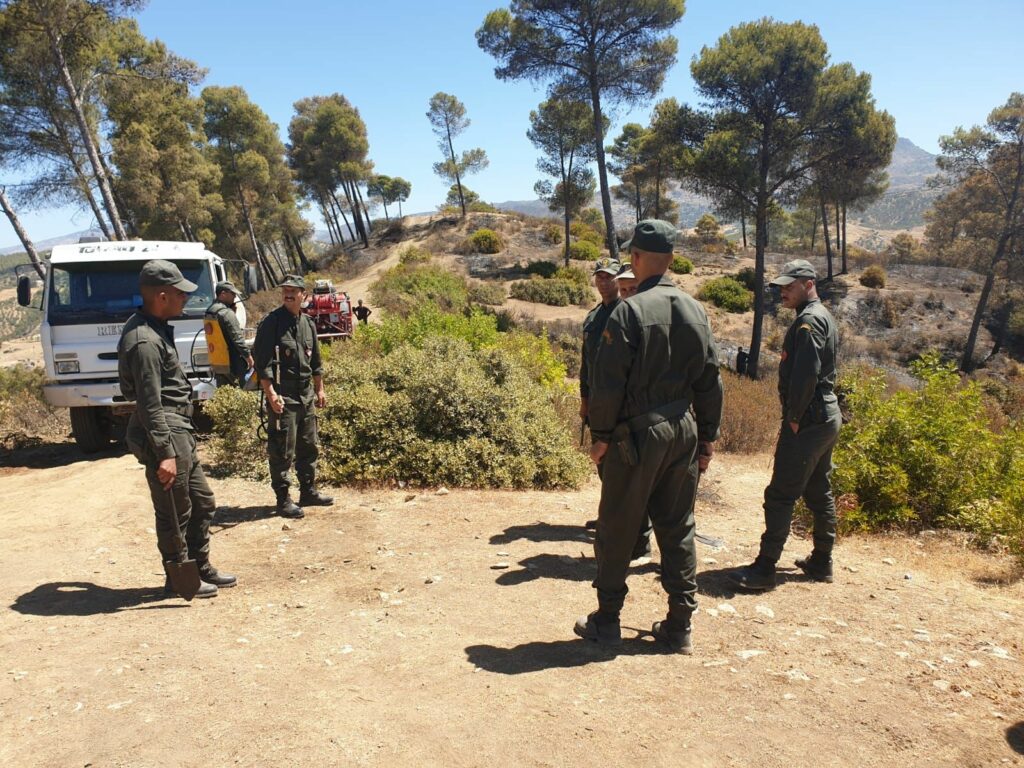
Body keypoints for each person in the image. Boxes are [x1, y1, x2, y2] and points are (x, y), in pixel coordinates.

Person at [575, 220, 723, 654]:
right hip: (684, 430)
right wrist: (708, 438)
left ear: (636, 259)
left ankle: (607, 619)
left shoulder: (629, 310)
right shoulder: (696, 310)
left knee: (618, 526)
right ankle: (679, 625)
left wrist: (600, 436)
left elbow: (608, 383)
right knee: (678, 527)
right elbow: (710, 380)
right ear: (672, 260)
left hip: (636, 437)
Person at [118, 259, 236, 599]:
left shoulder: (154, 328)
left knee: (202, 502)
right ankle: (179, 577)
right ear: (162, 295)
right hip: (164, 432)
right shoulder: (143, 341)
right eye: (181, 295)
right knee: (175, 511)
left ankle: (200, 565)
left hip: (178, 428)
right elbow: (148, 403)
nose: (186, 300)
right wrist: (165, 453)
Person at [728, 259, 841, 592]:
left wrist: (793, 417)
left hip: (808, 419)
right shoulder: (822, 317)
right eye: (780, 289)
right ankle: (822, 561)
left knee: (780, 494)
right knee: (819, 489)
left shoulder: (809, 322)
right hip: (825, 416)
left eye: (789, 288)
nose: (782, 294)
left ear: (808, 284)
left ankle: (764, 568)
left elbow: (805, 375)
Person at [252, 275, 334, 519]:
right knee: (281, 449)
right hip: (283, 395)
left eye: (293, 291)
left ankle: (307, 491)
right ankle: (283, 499)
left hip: (306, 394)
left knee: (309, 445)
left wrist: (319, 389)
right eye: (285, 291)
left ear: (304, 296)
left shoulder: (308, 324)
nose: (288, 294)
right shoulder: (272, 323)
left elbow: (316, 361)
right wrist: (271, 394)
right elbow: (262, 363)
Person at [206, 280, 253, 387]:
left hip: (218, 363)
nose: (235, 297)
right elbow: (237, 339)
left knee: (224, 394)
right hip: (232, 363)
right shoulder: (226, 313)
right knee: (241, 393)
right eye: (232, 293)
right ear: (223, 294)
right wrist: (249, 357)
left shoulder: (210, 311)